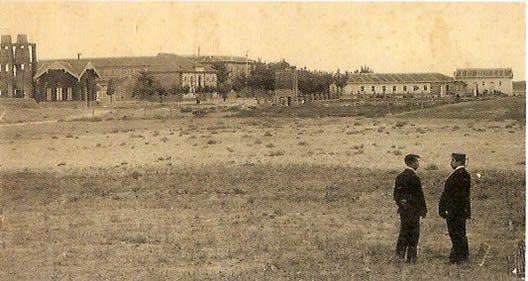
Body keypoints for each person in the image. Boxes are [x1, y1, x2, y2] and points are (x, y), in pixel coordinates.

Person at [393, 154, 427, 263]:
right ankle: (411, 257)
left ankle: (399, 254)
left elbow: (396, 194)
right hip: (414, 210)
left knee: (404, 232)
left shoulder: (400, 176)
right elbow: (419, 196)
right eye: (417, 162)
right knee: (414, 234)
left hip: (404, 211)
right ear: (412, 163)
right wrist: (423, 209)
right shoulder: (414, 177)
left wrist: (402, 204)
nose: (418, 164)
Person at [439, 153, 471, 264]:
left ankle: (459, 258)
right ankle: (460, 256)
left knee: (456, 234)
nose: (450, 163)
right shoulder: (462, 174)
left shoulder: (460, 175)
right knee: (459, 233)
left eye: (452, 160)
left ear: (457, 161)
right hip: (458, 211)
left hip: (456, 211)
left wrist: (448, 209)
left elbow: (456, 196)